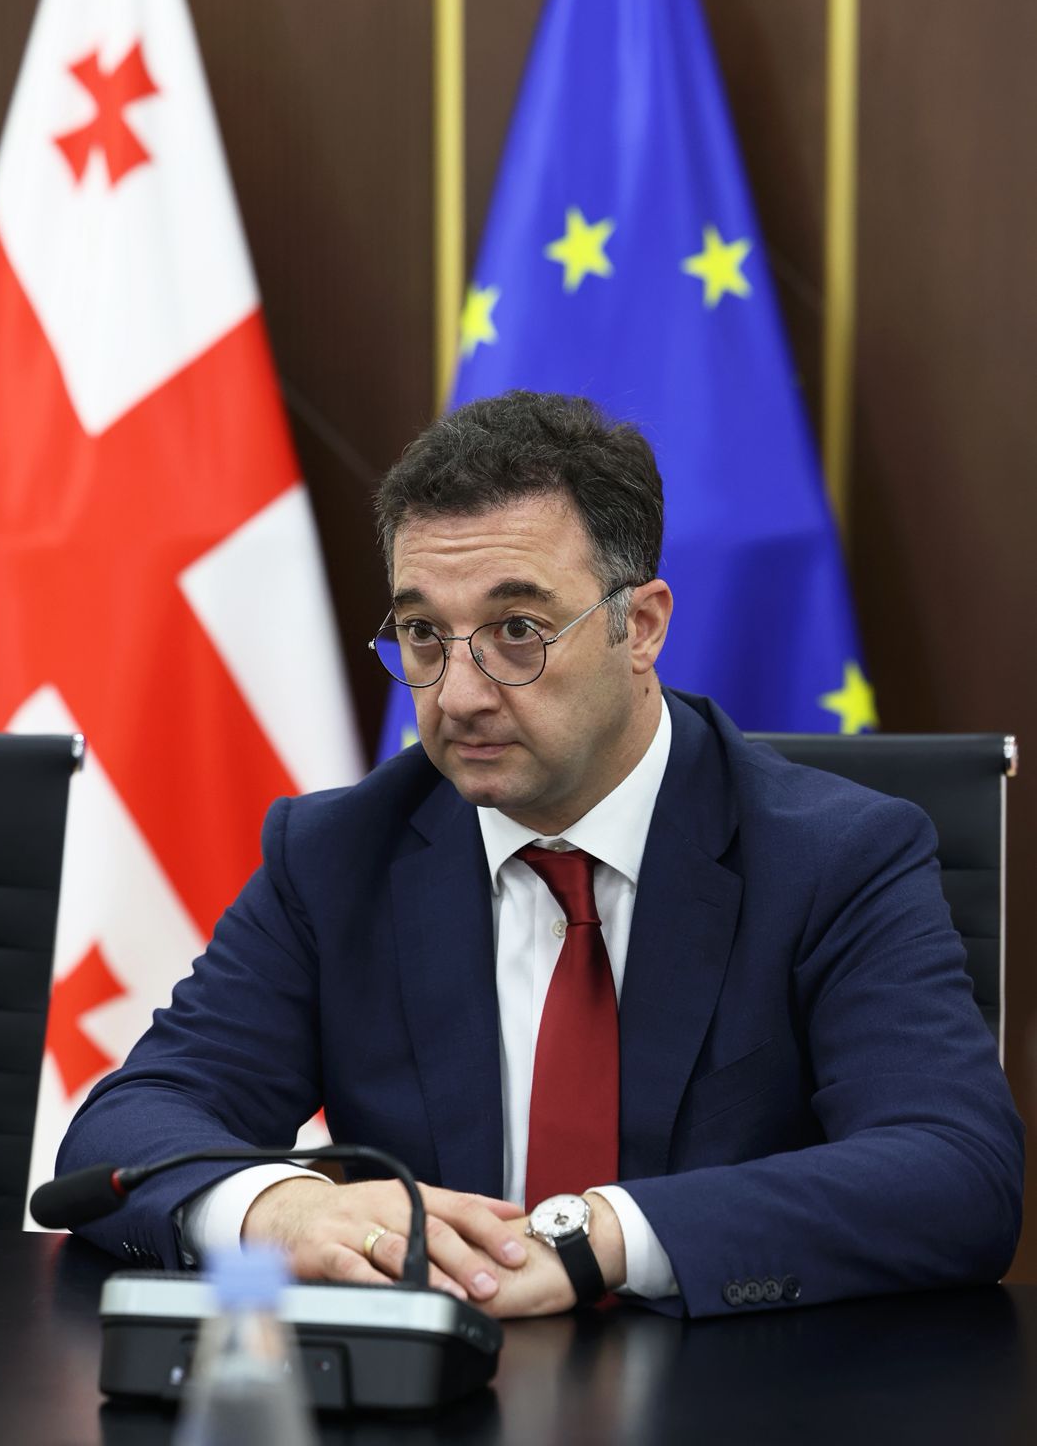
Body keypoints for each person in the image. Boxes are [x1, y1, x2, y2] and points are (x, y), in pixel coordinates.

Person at [57, 391, 1023, 1319]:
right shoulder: (338, 856)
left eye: (517, 632)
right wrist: (285, 1211)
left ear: (640, 626)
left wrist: (597, 1237)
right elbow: (124, 1131)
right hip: (434, 1385)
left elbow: (956, 1171)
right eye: (424, 634)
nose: (458, 694)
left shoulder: (835, 856)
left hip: (734, 1386)